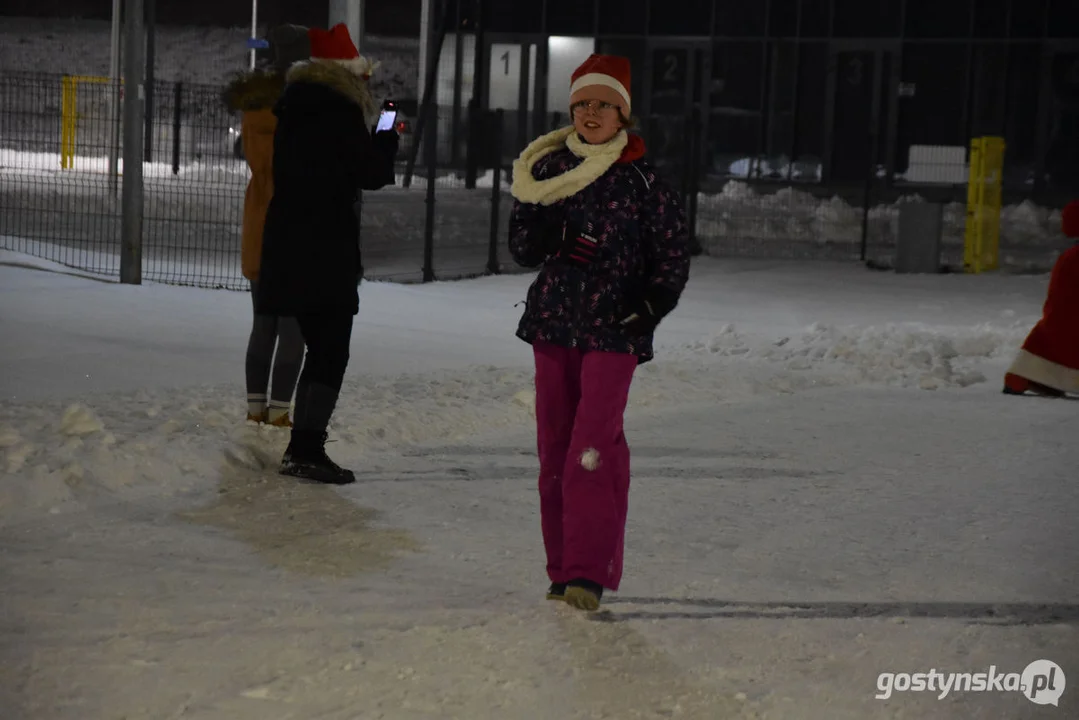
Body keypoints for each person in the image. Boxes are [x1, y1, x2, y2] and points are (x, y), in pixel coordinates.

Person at [508, 54, 691, 611]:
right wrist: (554, 236)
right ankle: (562, 570)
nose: (592, 113)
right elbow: (520, 247)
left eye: (604, 105)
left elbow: (672, 254)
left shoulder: (644, 181)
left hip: (614, 331)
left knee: (591, 448)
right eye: (583, 103)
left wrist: (651, 306)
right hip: (554, 324)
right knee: (554, 452)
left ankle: (589, 573)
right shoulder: (545, 172)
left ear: (622, 115)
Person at [255, 23, 399, 484]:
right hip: (323, 250)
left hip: (289, 243)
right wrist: (386, 139)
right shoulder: (337, 111)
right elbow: (369, 172)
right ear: (347, 74)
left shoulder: (295, 105)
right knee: (330, 350)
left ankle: (303, 445)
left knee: (317, 346)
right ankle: (305, 449)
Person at [222, 25, 312, 428]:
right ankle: (279, 412)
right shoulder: (304, 106)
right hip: (296, 227)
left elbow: (256, 159)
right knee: (294, 328)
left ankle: (256, 409)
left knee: (264, 323)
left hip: (260, 224)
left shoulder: (255, 106)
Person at [1003, 199, 1079, 397]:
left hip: (1060, 322)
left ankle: (1027, 378)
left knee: (1044, 342)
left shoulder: (1070, 257)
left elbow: (1059, 297)